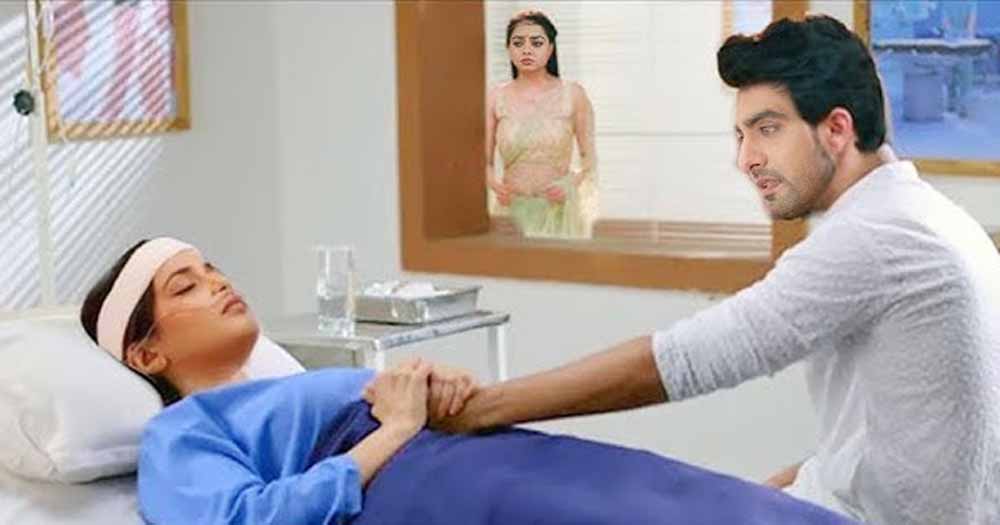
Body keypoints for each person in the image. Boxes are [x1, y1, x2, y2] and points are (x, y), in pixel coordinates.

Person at [424, 15, 1000, 525]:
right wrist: (761, 495)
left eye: (768, 129)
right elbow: (888, 443)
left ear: (837, 129)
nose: (746, 159)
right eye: (741, 135)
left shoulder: (874, 237)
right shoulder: (932, 217)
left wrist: (481, 409)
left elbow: (686, 360)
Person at [80, 238, 855, 524]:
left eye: (211, 267)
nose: (217, 282)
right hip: (410, 484)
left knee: (663, 489)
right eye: (185, 286)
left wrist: (427, 389)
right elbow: (252, 520)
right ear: (146, 354)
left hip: (457, 448)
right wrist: (393, 428)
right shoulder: (178, 434)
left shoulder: (284, 382)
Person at [486, 10, 598, 239]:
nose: (526, 50)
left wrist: (571, 184)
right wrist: (495, 186)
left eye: (536, 43)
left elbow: (589, 158)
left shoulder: (573, 94)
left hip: (558, 212)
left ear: (550, 48)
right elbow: (481, 161)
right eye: (518, 43)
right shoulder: (495, 97)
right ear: (508, 49)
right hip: (510, 212)